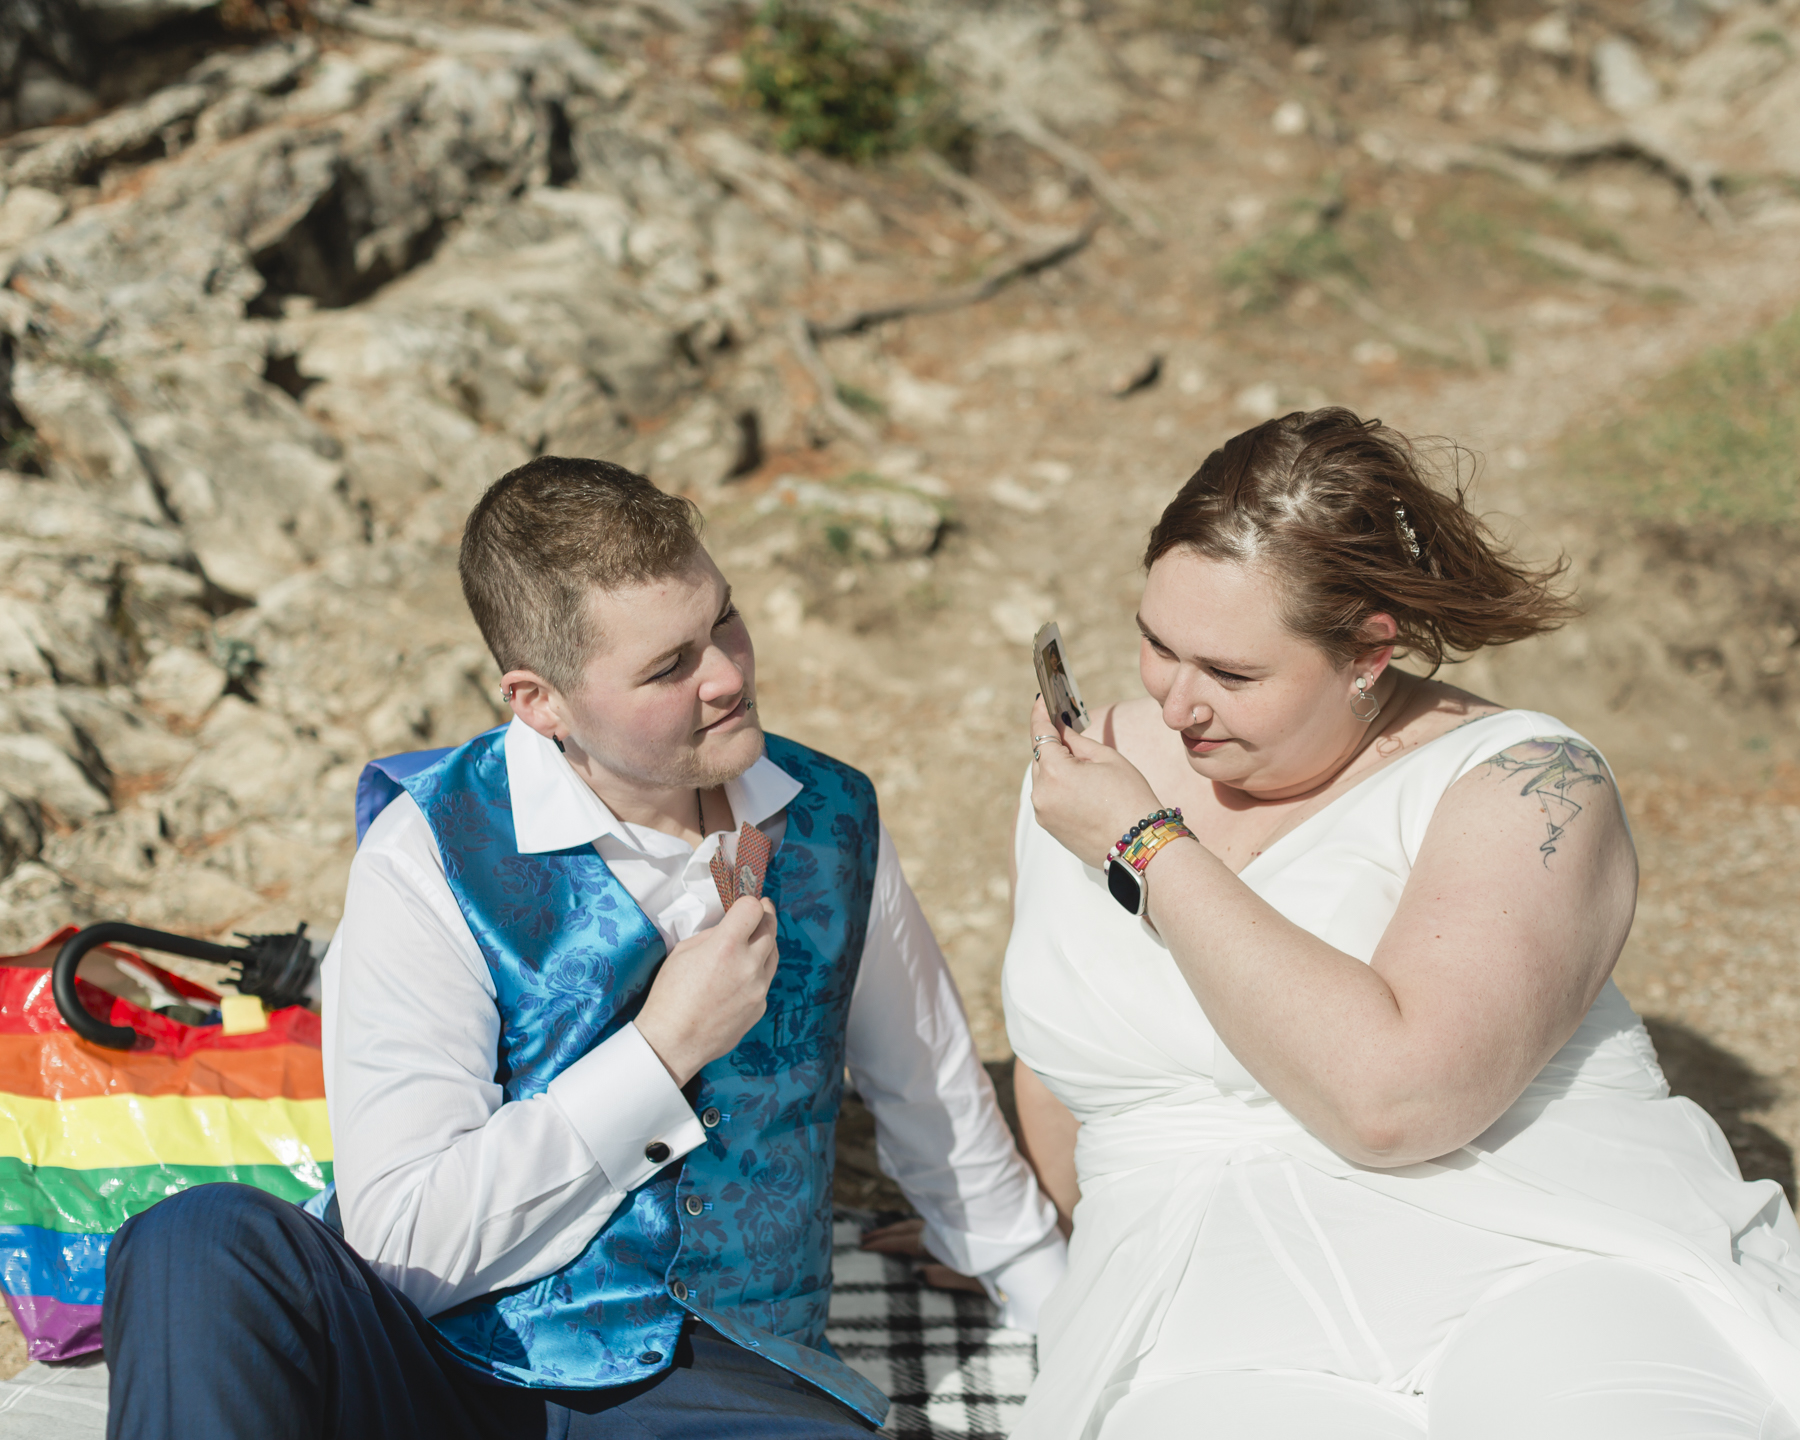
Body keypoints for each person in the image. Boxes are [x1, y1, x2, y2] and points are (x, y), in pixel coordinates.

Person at [101, 457, 1064, 1440]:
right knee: (195, 1245)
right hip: (442, 1364)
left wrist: (1064, 1314)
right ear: (539, 702)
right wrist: (659, 1055)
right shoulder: (426, 856)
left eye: (722, 620)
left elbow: (930, 1090)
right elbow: (402, 1244)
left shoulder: (831, 817)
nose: (729, 675)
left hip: (720, 1375)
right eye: (668, 666)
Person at [1004, 409, 1800, 1440]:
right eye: (1158, 644)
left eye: (1233, 674)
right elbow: (1066, 1048)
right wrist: (1021, 1231)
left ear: (1367, 653)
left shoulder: (1524, 781)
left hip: (1529, 1253)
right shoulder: (1089, 765)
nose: (1179, 702)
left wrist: (1146, 848)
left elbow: (1396, 1102)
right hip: (1204, 1316)